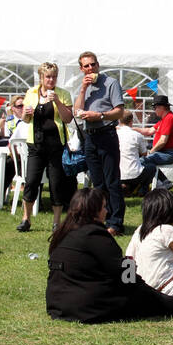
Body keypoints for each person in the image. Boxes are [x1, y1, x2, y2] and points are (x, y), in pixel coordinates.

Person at [46, 188, 173, 322]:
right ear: (94, 211)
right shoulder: (95, 235)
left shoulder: (63, 235)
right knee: (152, 301)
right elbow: (124, 272)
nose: (107, 211)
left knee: (150, 297)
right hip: (88, 308)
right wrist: (141, 287)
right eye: (104, 207)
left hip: (57, 305)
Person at [17, 62, 75, 234]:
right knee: (31, 181)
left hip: (56, 145)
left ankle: (56, 222)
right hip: (36, 144)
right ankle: (26, 218)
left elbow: (67, 119)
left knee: (56, 183)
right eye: (48, 76)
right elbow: (25, 120)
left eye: (54, 76)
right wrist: (25, 113)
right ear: (41, 78)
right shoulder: (31, 93)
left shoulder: (63, 94)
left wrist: (56, 101)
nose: (51, 80)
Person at [73, 51, 126, 235]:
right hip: (90, 137)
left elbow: (119, 111)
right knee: (98, 183)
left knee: (112, 181)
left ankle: (116, 223)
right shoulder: (83, 87)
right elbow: (77, 111)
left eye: (93, 64)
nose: (90, 68)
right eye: (86, 66)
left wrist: (100, 115)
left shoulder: (110, 83)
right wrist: (82, 89)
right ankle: (100, 219)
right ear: (81, 69)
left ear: (98, 65)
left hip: (106, 134)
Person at [132, 95, 173, 195]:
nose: (154, 110)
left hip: (168, 154)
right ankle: (163, 183)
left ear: (162, 107)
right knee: (147, 163)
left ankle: (141, 188)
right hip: (165, 152)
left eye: (155, 107)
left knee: (141, 161)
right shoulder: (164, 119)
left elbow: (163, 141)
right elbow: (149, 131)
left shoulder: (169, 118)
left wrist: (151, 151)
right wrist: (132, 129)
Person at [116, 110, 147, 195]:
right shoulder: (137, 135)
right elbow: (144, 153)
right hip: (135, 174)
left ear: (119, 120)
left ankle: (127, 187)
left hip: (118, 173)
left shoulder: (115, 134)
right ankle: (142, 189)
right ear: (131, 121)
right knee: (151, 167)